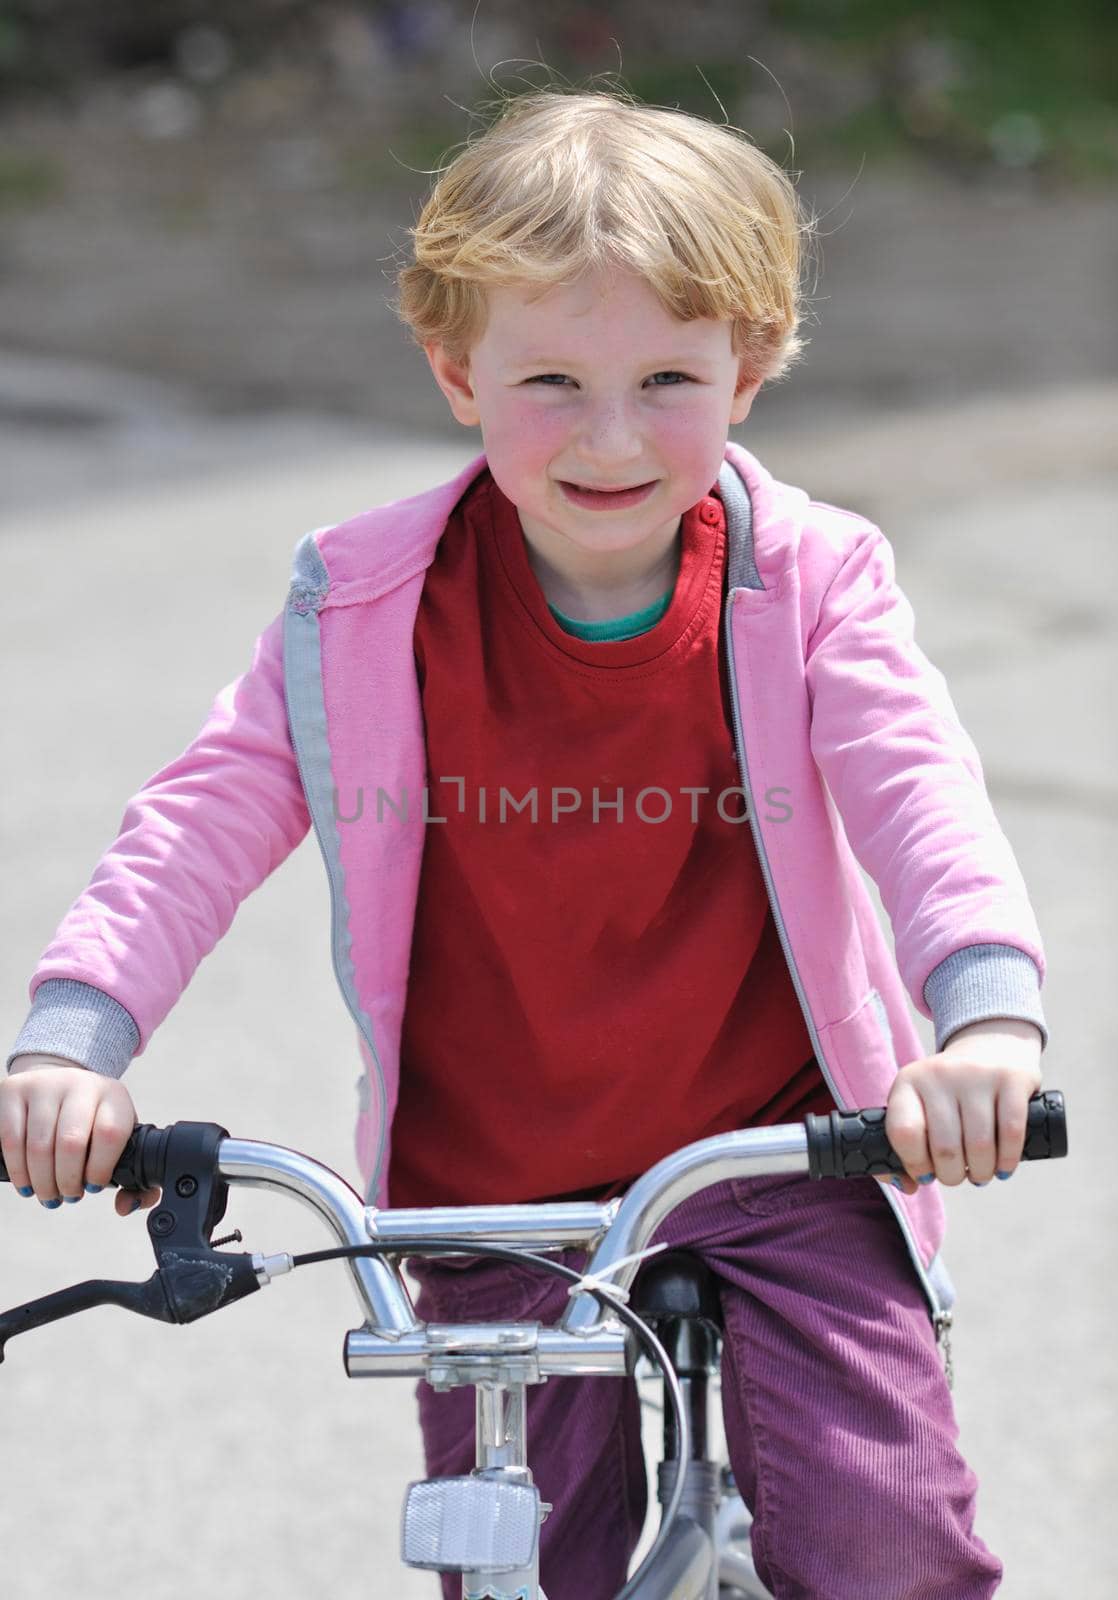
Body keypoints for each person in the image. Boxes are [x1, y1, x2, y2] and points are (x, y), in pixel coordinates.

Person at [1, 89, 1046, 1597]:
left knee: (884, 1537)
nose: (608, 437)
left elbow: (914, 788)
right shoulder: (359, 604)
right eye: (549, 377)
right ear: (453, 371)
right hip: (495, 1179)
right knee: (512, 1563)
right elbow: (200, 818)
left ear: (748, 371)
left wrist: (984, 1017)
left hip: (777, 1153)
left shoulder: (810, 579)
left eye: (668, 378)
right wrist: (74, 1044)